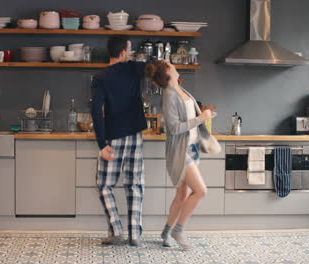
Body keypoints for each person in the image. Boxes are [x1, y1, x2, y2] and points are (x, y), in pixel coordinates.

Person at [146, 61, 220, 250]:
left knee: (182, 195)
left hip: (191, 148)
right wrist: (200, 118)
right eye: (170, 64)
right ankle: (178, 230)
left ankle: (166, 232)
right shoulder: (170, 96)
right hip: (180, 152)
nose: (174, 64)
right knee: (201, 191)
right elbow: (174, 128)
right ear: (168, 71)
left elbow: (189, 119)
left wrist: (204, 115)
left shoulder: (180, 89)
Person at [91, 35, 148, 247]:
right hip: (135, 135)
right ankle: (135, 235)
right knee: (135, 185)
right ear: (123, 52)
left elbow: (96, 111)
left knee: (104, 185)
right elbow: (155, 67)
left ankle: (116, 230)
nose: (131, 54)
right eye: (130, 50)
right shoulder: (134, 69)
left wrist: (101, 144)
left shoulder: (100, 77)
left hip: (113, 137)